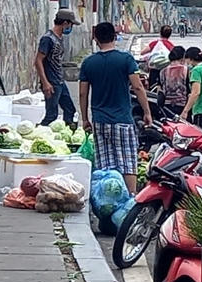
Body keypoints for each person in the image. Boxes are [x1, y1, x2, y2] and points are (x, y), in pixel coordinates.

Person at [80, 22, 152, 194]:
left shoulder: (89, 63)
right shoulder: (126, 59)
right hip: (123, 120)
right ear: (114, 37)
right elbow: (138, 87)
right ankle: (128, 204)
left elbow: (83, 93)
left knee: (105, 165)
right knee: (127, 163)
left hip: (100, 122)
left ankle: (108, 202)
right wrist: (147, 112)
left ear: (96, 39)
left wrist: (84, 118)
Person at [35, 9, 78, 126]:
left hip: (59, 81)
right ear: (65, 23)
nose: (71, 27)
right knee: (51, 115)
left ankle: (70, 135)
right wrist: (45, 83)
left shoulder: (59, 38)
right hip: (51, 82)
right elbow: (38, 61)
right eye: (71, 24)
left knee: (70, 110)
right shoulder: (48, 39)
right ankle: (40, 134)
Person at [141, 25, 175, 89]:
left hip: (154, 69)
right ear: (170, 35)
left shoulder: (154, 43)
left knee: (152, 86)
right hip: (166, 70)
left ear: (160, 33)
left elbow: (142, 52)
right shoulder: (171, 45)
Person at [160, 46, 190, 116]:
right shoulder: (187, 70)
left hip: (167, 106)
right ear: (183, 57)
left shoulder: (162, 71)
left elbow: (161, 90)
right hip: (183, 106)